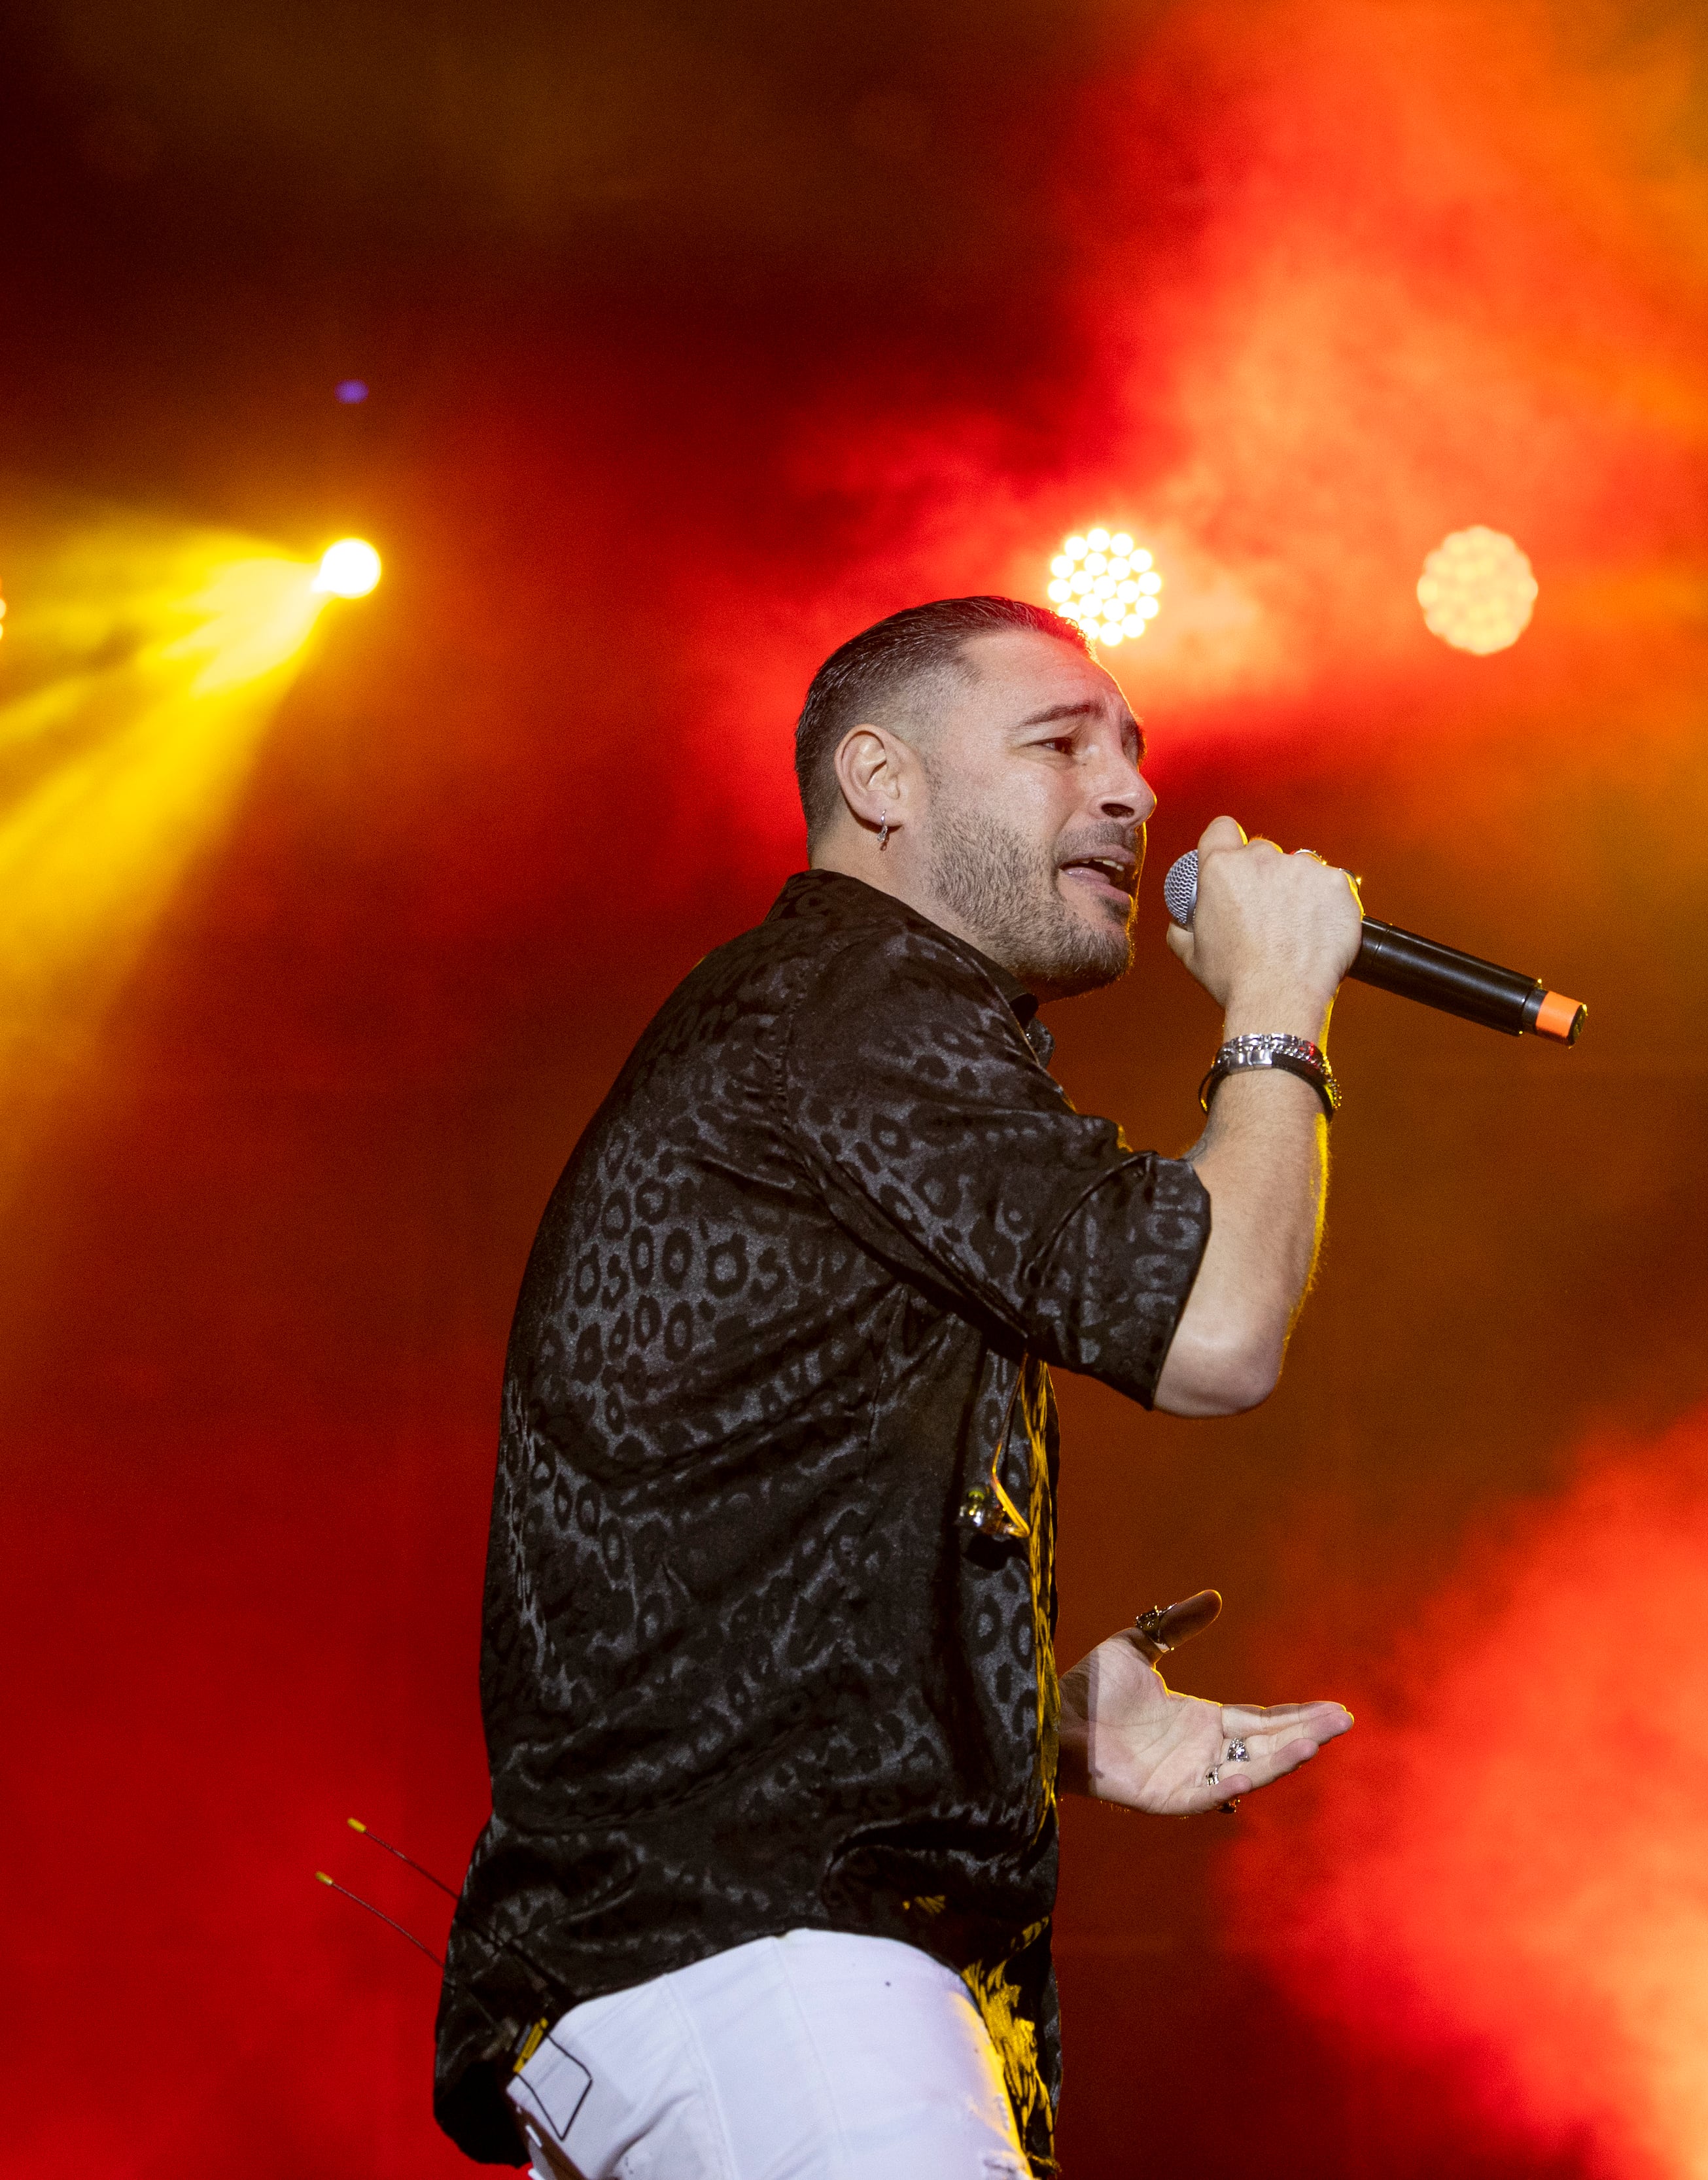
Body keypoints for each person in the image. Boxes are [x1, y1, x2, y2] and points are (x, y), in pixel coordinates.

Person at [433, 595, 1361, 2179]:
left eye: (1134, 747)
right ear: (881, 779)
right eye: (1060, 741)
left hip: (698, 1979)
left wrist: (1024, 1728)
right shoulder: (854, 999)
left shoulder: (817, 1037)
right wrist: (1278, 1011)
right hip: (771, 1976)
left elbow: (726, 1553)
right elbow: (1214, 1328)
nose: (1133, 790)